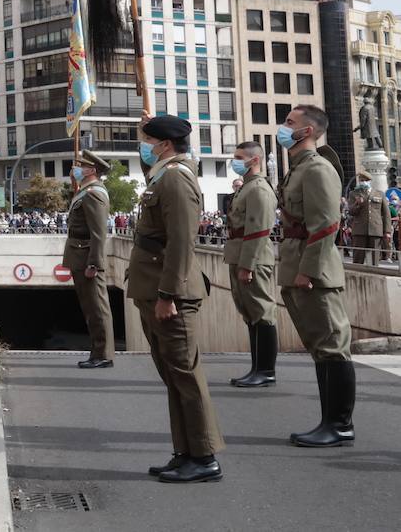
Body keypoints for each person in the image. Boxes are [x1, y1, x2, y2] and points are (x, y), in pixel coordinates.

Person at [130, 114, 225, 483]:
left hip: (170, 295)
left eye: (149, 142)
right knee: (173, 376)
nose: (145, 148)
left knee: (186, 377)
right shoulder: (163, 175)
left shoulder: (176, 179)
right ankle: (185, 451)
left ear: (165, 146)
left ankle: (204, 457)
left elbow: (182, 243)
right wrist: (148, 123)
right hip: (154, 288)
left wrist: (167, 294)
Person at [275, 104, 354, 447]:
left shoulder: (318, 169)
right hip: (298, 265)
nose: (283, 127)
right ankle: (329, 421)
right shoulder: (298, 168)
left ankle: (339, 425)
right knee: (320, 348)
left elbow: (326, 227)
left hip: (315, 272)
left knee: (332, 347)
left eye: (290, 122)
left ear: (307, 131)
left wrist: (308, 271)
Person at [225, 141, 278, 388]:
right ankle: (257, 367)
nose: (234, 161)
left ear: (254, 160)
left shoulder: (258, 189)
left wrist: (247, 265)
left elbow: (258, 230)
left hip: (253, 258)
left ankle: (266, 370)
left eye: (239, 157)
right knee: (251, 314)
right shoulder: (245, 188)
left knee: (261, 313)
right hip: (240, 255)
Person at [64, 149, 113, 369]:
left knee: (97, 307)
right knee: (90, 307)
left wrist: (94, 263)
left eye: (79, 165)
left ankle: (102, 354)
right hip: (79, 253)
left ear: (91, 170)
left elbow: (98, 233)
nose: (75, 169)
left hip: (86, 256)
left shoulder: (94, 193)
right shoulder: (85, 191)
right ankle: (98, 351)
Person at [345, 172, 387, 265]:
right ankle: (357, 275)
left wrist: (387, 231)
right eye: (361, 180)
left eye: (365, 180)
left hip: (375, 229)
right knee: (358, 258)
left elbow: (386, 213)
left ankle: (374, 275)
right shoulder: (353, 194)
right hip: (360, 229)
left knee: (374, 259)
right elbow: (351, 212)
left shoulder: (379, 194)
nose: (363, 182)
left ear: (370, 181)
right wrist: (358, 204)